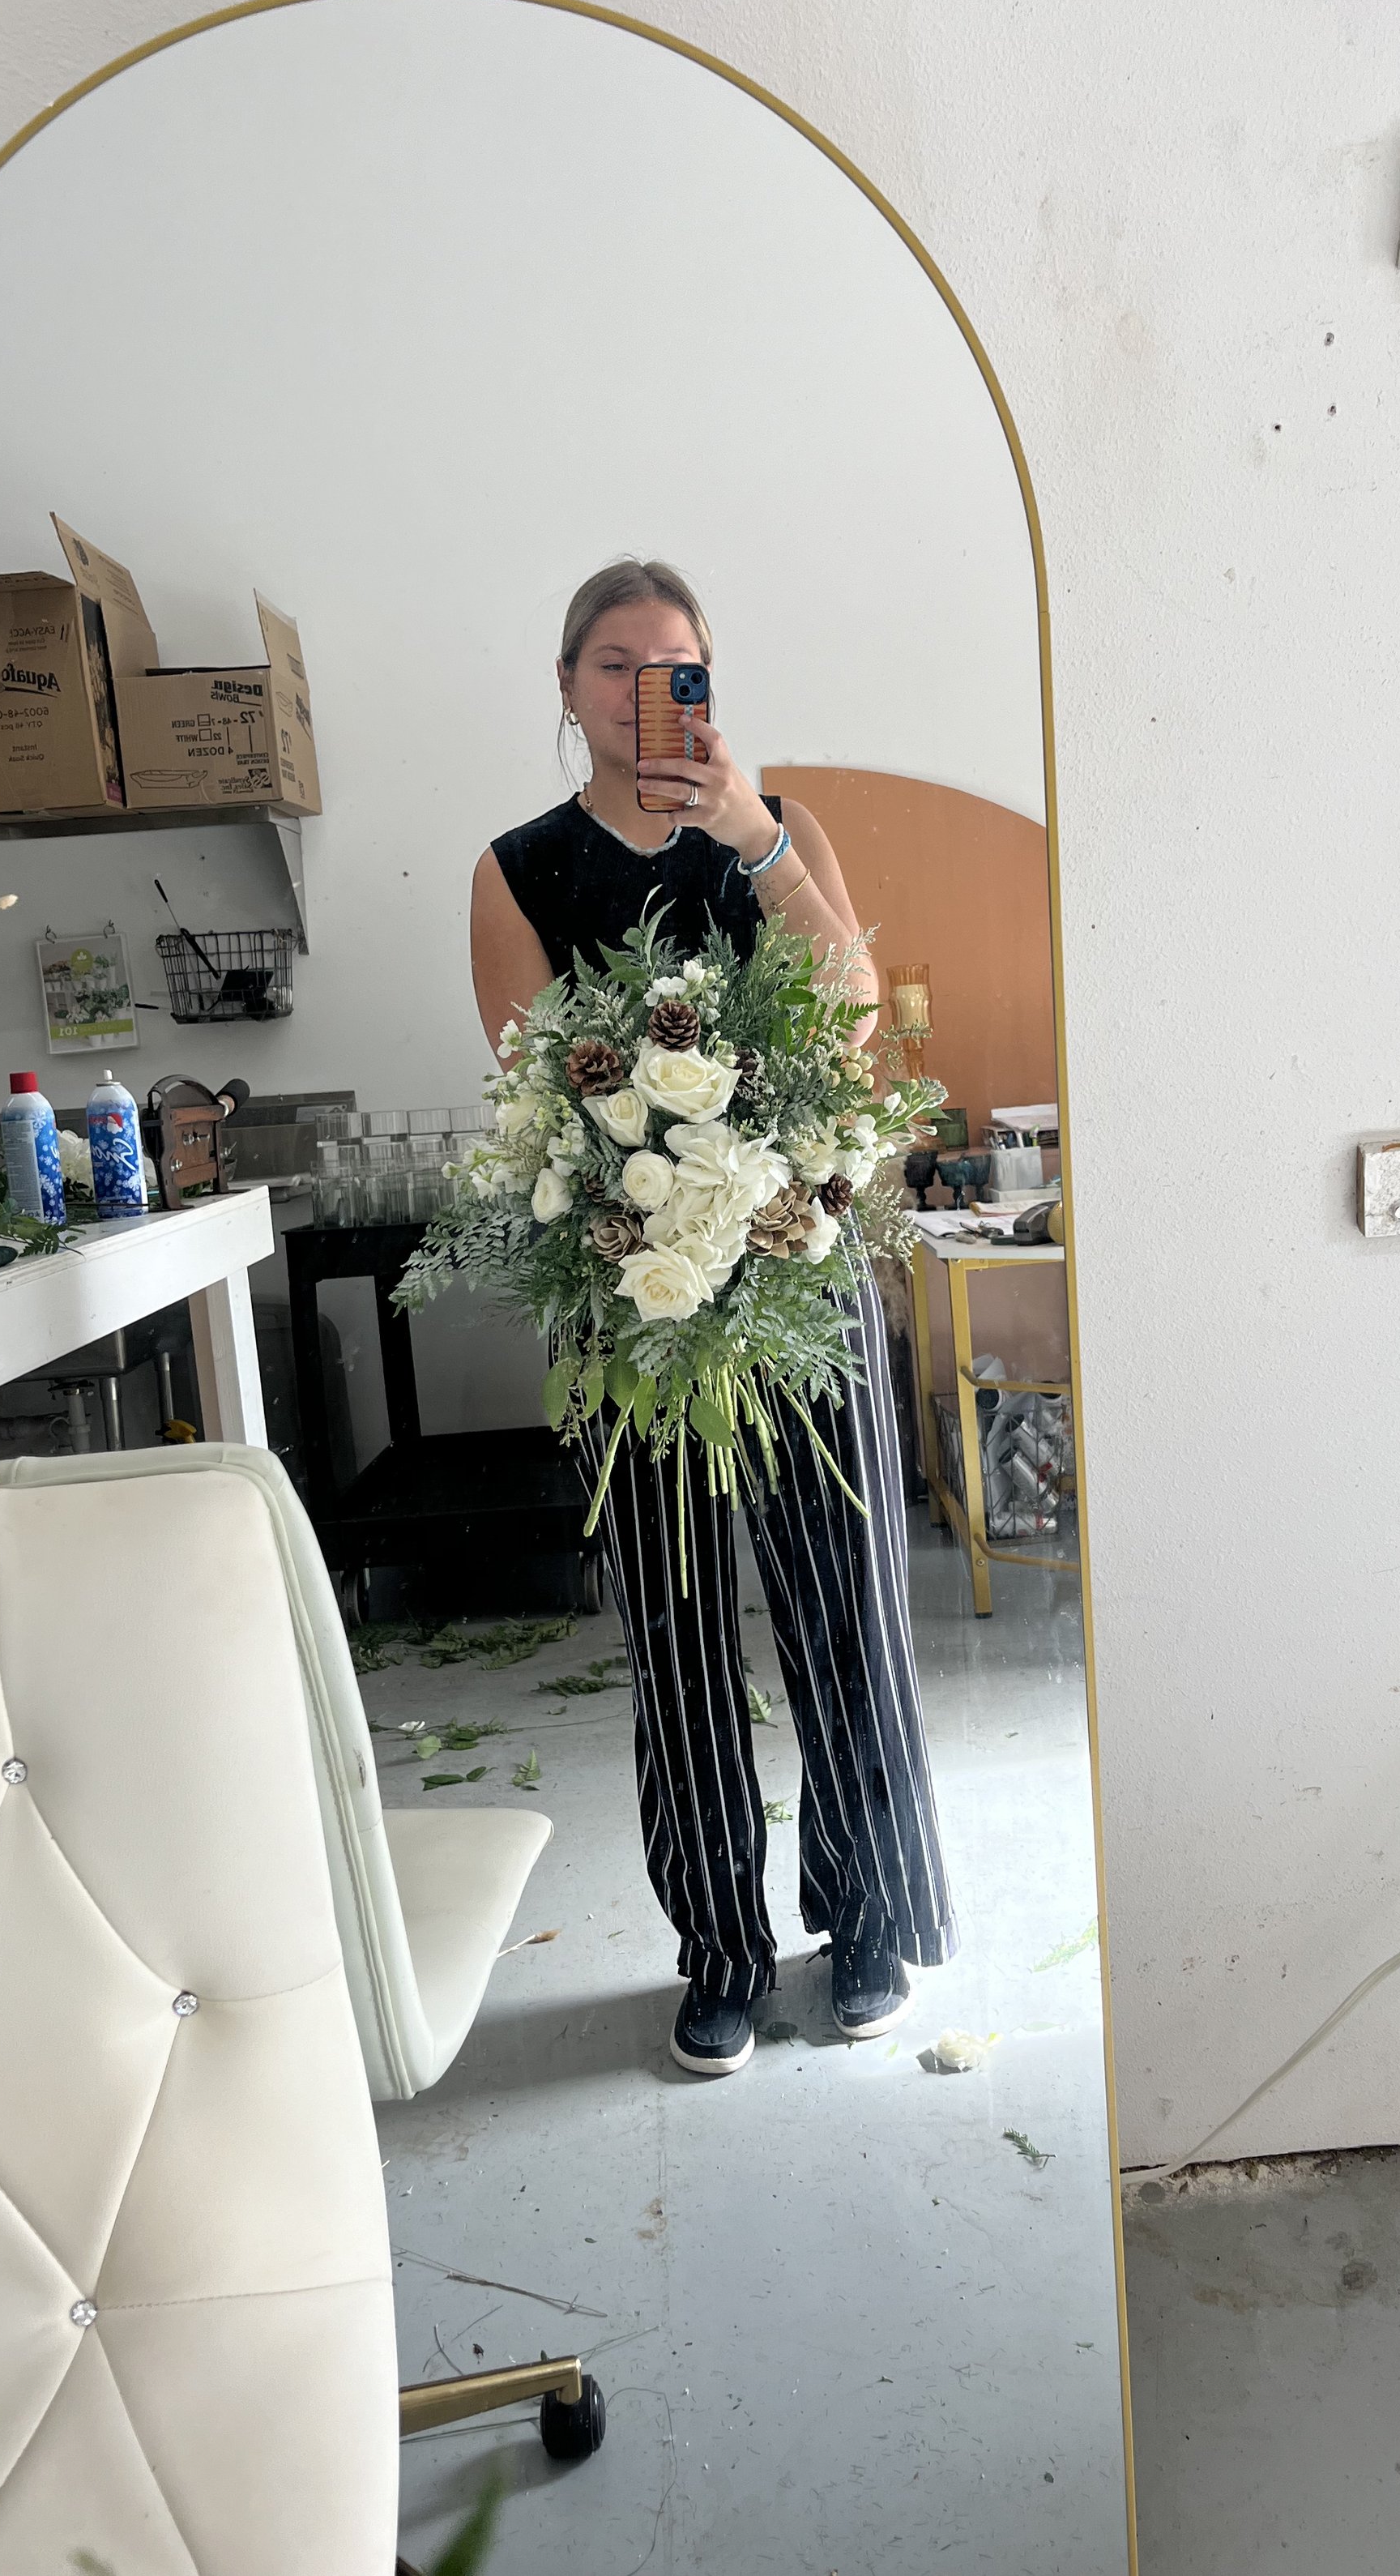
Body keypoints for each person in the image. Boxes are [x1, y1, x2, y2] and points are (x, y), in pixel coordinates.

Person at [471, 557, 958, 2077]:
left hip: (803, 1271)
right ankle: (721, 1954)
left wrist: (749, 834)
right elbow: (535, 1082)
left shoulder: (780, 829)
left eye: (674, 664)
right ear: (566, 688)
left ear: (707, 683)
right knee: (675, 1639)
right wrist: (666, 1182)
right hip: (636, 1300)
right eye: (613, 664)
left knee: (851, 1617)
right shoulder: (520, 868)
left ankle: (865, 1917)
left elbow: (853, 1008)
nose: (643, 691)